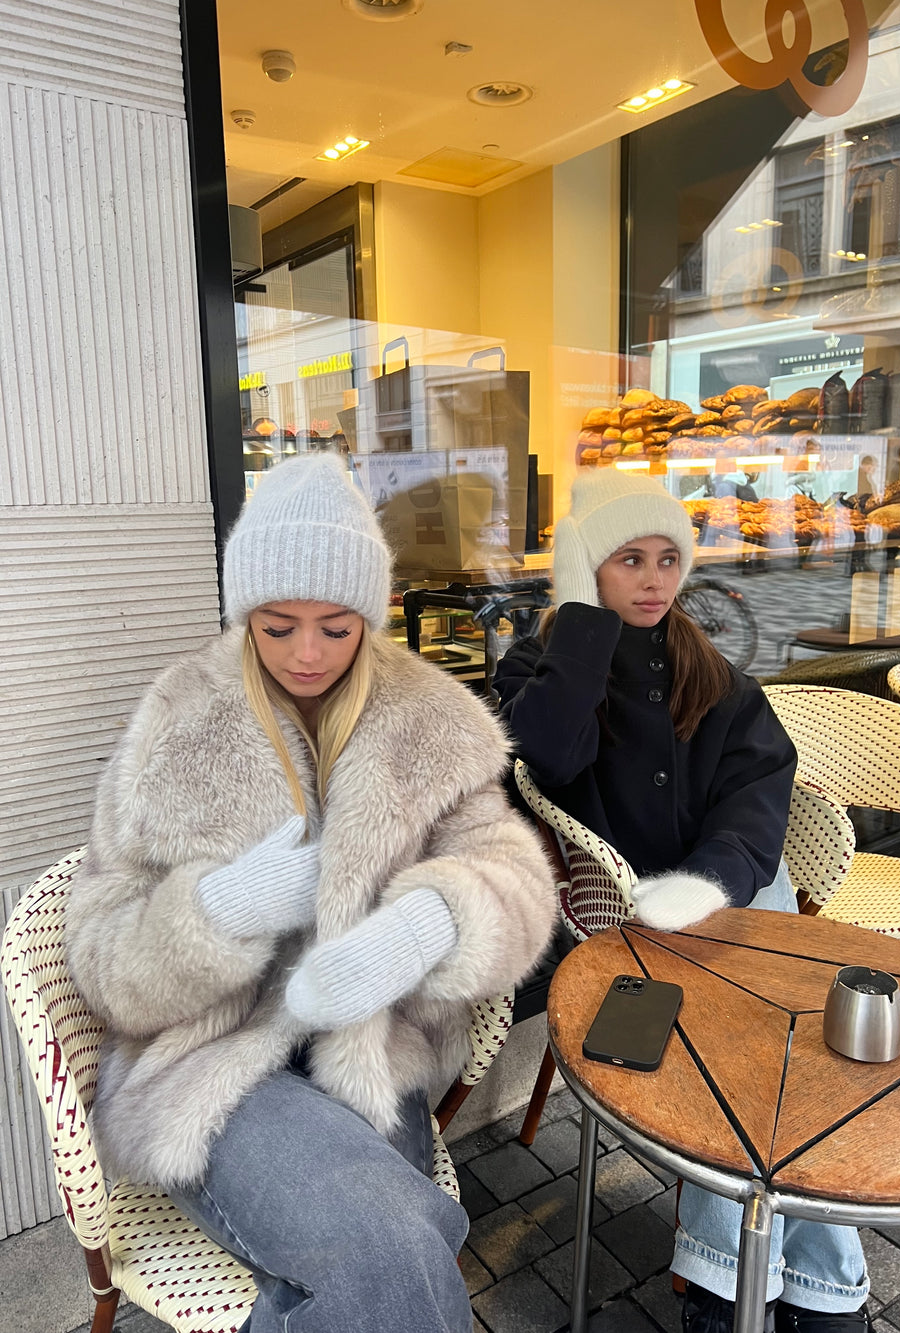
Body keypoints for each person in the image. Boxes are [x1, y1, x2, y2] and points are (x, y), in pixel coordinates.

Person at [65, 453, 558, 1333]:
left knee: (381, 1263)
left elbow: (515, 875)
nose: (306, 653)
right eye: (278, 624)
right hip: (214, 1072)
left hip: (369, 1059)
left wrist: (429, 923)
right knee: (397, 1249)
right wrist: (219, 912)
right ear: (245, 612)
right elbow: (99, 948)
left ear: (370, 613)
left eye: (335, 627)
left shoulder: (428, 721)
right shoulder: (177, 722)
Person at [493, 469, 871, 1333]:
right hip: (620, 917)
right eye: (628, 559)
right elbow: (547, 753)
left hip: (730, 898)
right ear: (587, 566)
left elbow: (758, 793)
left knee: (779, 1052)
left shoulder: (712, 670)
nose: (655, 579)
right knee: (760, 1052)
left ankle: (788, 1288)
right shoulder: (539, 666)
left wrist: (709, 881)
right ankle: (770, 1290)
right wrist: (580, 619)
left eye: (668, 559)